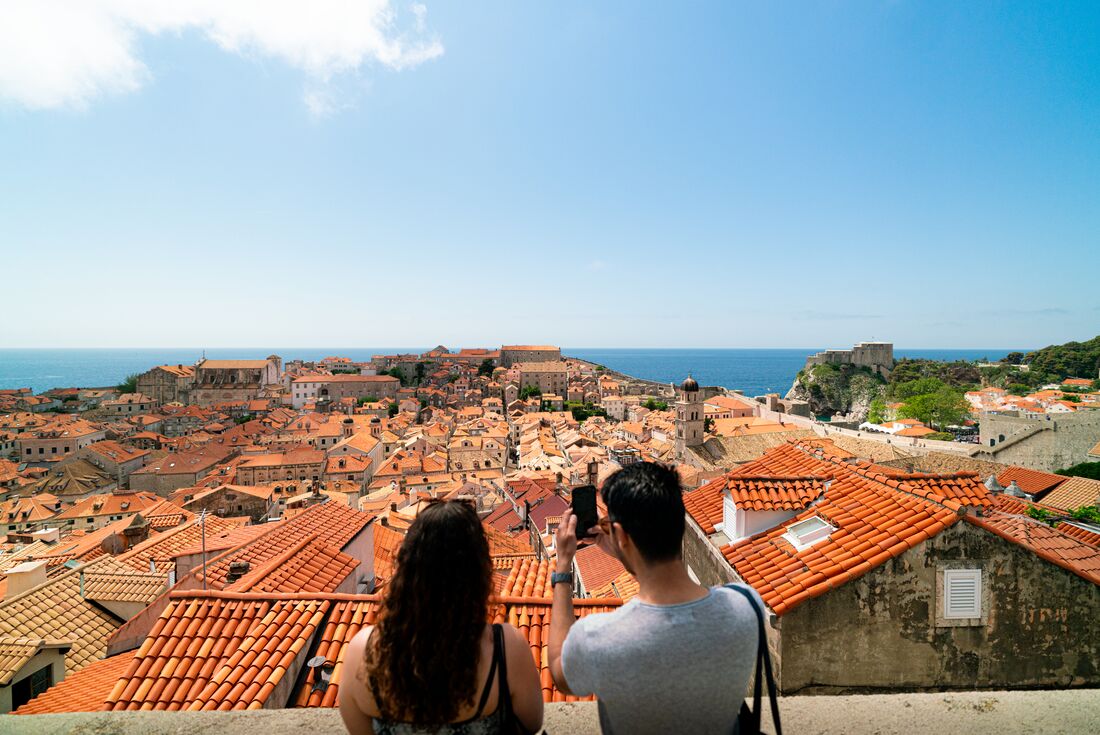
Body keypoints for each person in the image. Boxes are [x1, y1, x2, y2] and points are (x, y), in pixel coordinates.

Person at [548, 462, 763, 734]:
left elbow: (559, 672)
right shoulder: (746, 605)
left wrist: (563, 566)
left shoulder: (600, 637)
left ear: (622, 536)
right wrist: (627, 549)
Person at [339, 499, 544, 734]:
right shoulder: (506, 648)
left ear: (406, 568)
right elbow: (531, 723)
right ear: (478, 573)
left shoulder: (362, 652)